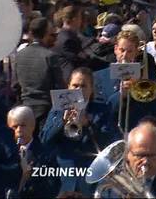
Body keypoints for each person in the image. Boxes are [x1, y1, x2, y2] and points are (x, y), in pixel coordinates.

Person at [40, 67, 117, 195]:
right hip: (63, 175)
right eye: (75, 85)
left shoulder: (102, 110)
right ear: (68, 86)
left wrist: (88, 124)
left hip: (89, 174)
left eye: (83, 86)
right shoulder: (58, 109)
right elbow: (45, 139)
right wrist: (62, 123)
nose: (78, 90)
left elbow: (108, 143)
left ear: (91, 89)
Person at [107, 30, 156, 131]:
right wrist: (121, 95)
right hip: (113, 132)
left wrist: (140, 85)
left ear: (137, 52)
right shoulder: (103, 75)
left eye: (130, 51)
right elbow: (105, 109)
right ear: (115, 49)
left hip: (139, 130)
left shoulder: (145, 74)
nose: (125, 55)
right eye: (122, 50)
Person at [15, 17, 64, 128]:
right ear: (46, 34)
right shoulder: (50, 56)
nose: (54, 38)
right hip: (46, 111)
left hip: (25, 110)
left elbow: (15, 84)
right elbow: (59, 86)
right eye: (52, 34)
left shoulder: (20, 55)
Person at [7, 105, 60, 198]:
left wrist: (28, 177)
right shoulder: (5, 152)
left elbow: (53, 186)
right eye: (14, 127)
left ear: (32, 126)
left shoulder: (46, 153)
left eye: (23, 125)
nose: (19, 130)